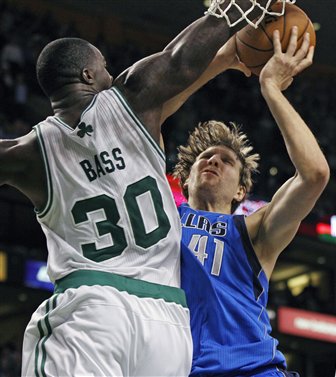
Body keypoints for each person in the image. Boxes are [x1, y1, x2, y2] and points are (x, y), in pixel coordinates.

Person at [0, 1, 276, 375]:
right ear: (88, 74)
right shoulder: (133, 101)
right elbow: (179, 61)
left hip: (93, 311)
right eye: (104, 68)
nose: (111, 75)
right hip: (168, 327)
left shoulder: (27, 154)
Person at [172, 27, 329, 376]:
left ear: (241, 192)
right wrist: (220, 59)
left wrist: (271, 88)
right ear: (185, 178)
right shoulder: (163, 218)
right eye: (206, 157)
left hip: (253, 370)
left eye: (227, 161)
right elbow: (150, 108)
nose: (214, 161)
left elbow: (315, 174)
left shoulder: (252, 231)